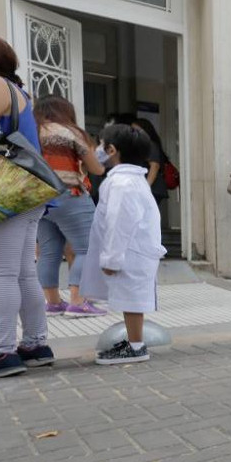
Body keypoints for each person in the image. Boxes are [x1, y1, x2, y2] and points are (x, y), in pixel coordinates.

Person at [0, 29, 54, 378]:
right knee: (22, 271)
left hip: (2, 190)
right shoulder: (17, 90)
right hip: (26, 191)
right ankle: (35, 345)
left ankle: (1, 352)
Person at [81, 125, 166, 365]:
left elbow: (119, 222)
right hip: (134, 250)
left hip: (130, 251)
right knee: (132, 299)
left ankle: (136, 346)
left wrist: (111, 259)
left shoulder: (122, 184)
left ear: (111, 150)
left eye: (100, 145)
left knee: (132, 300)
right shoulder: (129, 180)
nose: (97, 150)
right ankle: (134, 343)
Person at [34, 95, 108, 318]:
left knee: (48, 252)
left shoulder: (33, 132)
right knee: (87, 248)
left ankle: (53, 303)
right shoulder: (70, 132)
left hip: (38, 199)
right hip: (69, 195)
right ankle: (78, 301)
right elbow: (96, 169)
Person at [131, 118, 170, 215]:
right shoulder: (144, 145)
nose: (133, 134)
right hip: (152, 188)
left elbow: (154, 166)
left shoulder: (150, 145)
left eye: (136, 130)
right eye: (132, 131)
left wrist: (145, 187)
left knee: (145, 216)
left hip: (152, 188)